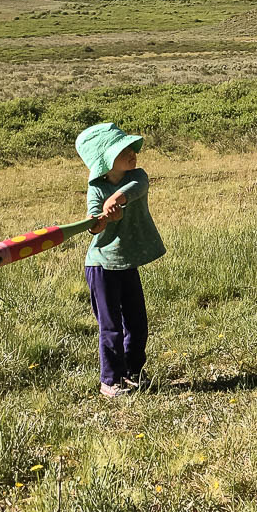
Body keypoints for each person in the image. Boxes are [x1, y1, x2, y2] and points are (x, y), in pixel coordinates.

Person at [75, 122, 166, 398]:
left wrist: (117, 199)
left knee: (137, 323)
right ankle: (110, 380)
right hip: (101, 266)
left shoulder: (137, 176)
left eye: (130, 147)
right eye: (123, 149)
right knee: (111, 326)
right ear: (105, 159)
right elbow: (93, 223)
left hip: (126, 262)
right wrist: (101, 220)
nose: (132, 152)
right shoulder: (96, 189)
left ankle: (133, 371)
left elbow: (136, 188)